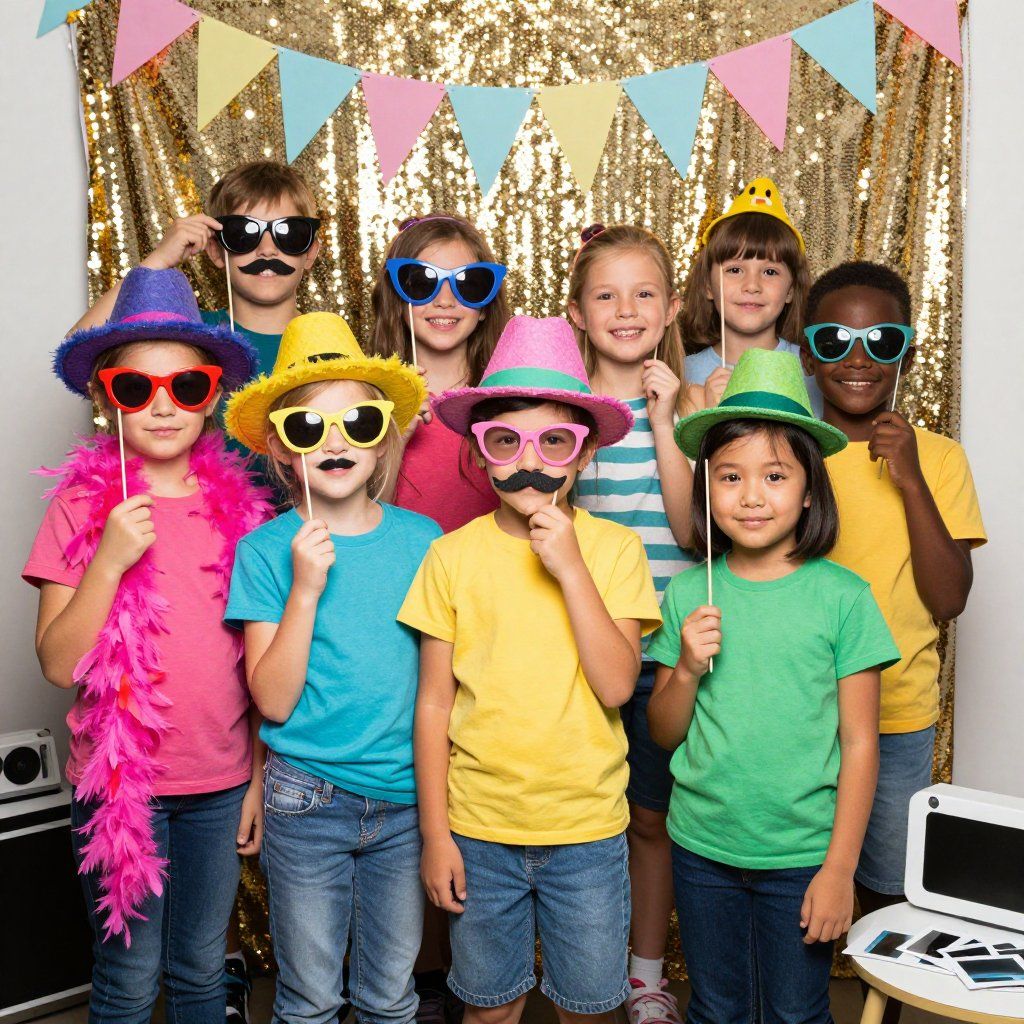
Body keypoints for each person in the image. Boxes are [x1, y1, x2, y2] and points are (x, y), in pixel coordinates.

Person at [399, 315, 662, 1024]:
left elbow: (615, 687)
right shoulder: (450, 557)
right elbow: (431, 705)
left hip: (586, 832)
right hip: (480, 829)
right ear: (480, 454)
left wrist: (570, 568)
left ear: (582, 456)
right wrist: (434, 835)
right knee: (490, 1008)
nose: (529, 461)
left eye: (555, 441)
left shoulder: (611, 552)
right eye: (504, 440)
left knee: (587, 1008)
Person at [25, 266, 271, 1023]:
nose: (162, 406)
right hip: (120, 792)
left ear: (211, 396)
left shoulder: (244, 513)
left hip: (221, 781)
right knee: (129, 979)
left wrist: (257, 777)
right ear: (107, 399)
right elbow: (59, 661)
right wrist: (107, 560)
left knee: (201, 970)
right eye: (137, 389)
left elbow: (255, 663)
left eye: (185, 387)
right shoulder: (81, 507)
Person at [648, 349, 900, 1024]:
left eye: (774, 475)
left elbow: (860, 742)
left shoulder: (844, 598)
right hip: (703, 847)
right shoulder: (688, 592)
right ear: (707, 489)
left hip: (804, 853)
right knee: (719, 1008)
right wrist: (686, 669)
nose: (751, 495)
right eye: (729, 476)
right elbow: (663, 731)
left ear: (809, 489)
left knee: (795, 1012)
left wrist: (840, 868)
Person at [224, 312, 441, 1024]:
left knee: (390, 997)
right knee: (312, 998)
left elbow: (447, 682)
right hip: (306, 798)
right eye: (310, 429)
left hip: (409, 799)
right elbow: (274, 700)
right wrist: (306, 589)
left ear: (384, 440)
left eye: (359, 422)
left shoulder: (425, 541)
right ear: (284, 454)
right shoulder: (265, 551)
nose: (337, 441)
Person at [801, 262, 987, 1023]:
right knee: (797, 876)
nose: (857, 356)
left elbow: (949, 600)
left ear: (908, 353)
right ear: (807, 354)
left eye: (881, 338)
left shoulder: (937, 459)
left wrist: (908, 478)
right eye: (834, 338)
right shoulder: (788, 454)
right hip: (795, 711)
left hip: (898, 714)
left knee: (884, 883)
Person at [566, 222, 696, 1024]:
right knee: (583, 817)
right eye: (606, 295)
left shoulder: (694, 403)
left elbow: (690, 531)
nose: (626, 309)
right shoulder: (561, 409)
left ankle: (644, 975)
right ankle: (581, 970)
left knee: (649, 817)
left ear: (673, 306)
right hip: (580, 647)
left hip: (665, 655)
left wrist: (663, 415)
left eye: (644, 293)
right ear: (577, 313)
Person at [371, 211, 509, 534]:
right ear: (396, 301)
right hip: (407, 577)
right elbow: (364, 518)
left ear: (486, 306)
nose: (445, 301)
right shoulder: (371, 398)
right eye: (423, 283)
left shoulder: (508, 398)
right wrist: (397, 438)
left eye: (469, 285)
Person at [681, 177, 822, 415]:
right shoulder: (681, 372)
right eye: (735, 270)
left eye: (770, 271)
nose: (752, 285)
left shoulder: (814, 371)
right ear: (707, 285)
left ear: (790, 290)